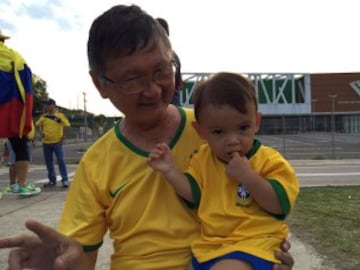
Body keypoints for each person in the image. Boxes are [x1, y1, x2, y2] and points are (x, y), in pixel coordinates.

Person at [0, 5, 294, 270]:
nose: (153, 90)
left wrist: (265, 255)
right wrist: (59, 260)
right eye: (132, 79)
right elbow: (81, 257)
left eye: (161, 71)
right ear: (99, 84)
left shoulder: (216, 130)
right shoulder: (96, 164)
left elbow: (261, 204)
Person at [148, 72, 300, 270]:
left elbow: (280, 205)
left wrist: (247, 176)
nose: (232, 140)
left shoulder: (269, 160)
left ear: (256, 122)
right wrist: (170, 171)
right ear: (201, 131)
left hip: (254, 244)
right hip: (210, 247)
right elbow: (193, 194)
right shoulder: (203, 159)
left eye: (243, 128)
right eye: (219, 132)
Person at [0, 29, 40, 196]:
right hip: (12, 107)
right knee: (20, 145)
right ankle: (22, 185)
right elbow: (27, 80)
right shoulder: (14, 56)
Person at [35, 98, 70, 188]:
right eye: (45, 105)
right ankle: (52, 180)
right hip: (46, 142)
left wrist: (63, 137)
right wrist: (41, 132)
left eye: (48, 105)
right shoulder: (44, 116)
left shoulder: (60, 115)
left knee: (60, 161)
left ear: (53, 105)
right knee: (49, 162)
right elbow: (38, 124)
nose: (46, 107)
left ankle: (65, 179)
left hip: (57, 142)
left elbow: (67, 125)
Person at [156, 17, 184, 106]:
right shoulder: (174, 55)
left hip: (163, 98)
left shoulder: (157, 54)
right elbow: (179, 83)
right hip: (173, 98)